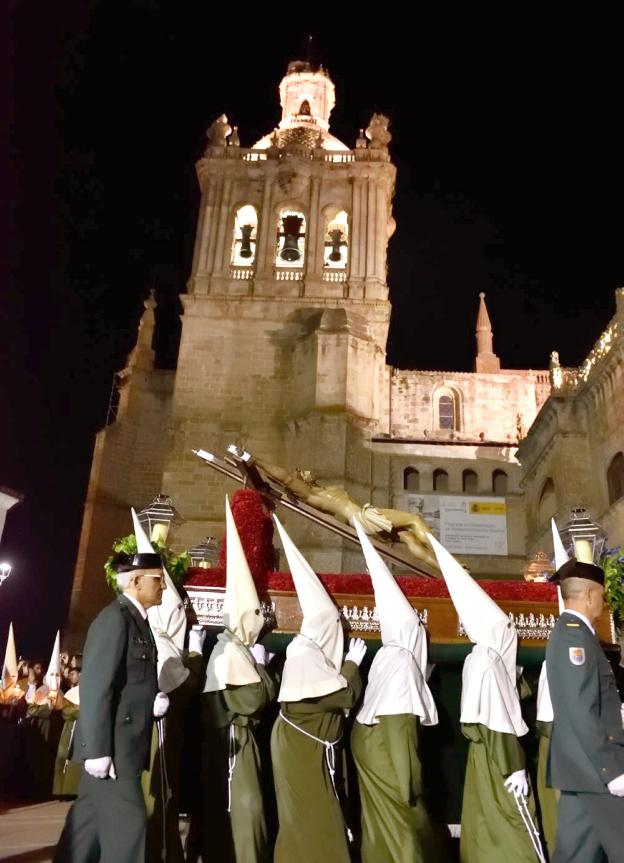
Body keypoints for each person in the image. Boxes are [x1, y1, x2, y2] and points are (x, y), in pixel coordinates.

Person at [53, 513, 170, 863]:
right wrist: (97, 749)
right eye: (158, 580)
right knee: (129, 826)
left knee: (85, 828)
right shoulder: (115, 619)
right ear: (136, 581)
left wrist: (151, 702)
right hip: (114, 749)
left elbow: (127, 683)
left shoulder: (138, 621)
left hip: (123, 745)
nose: (164, 586)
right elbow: (96, 686)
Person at [428, 534, 544, 863]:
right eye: (506, 629)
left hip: (483, 755)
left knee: (485, 823)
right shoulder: (490, 662)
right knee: (513, 826)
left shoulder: (478, 657)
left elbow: (501, 702)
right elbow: (498, 722)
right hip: (498, 758)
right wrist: (515, 768)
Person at [271, 515, 366, 863]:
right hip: (301, 757)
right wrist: (351, 666)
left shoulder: (305, 651)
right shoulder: (306, 657)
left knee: (305, 820)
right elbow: (345, 695)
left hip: (300, 751)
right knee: (316, 821)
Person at [350, 518, 443, 863]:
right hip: (389, 763)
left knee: (377, 829)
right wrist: (410, 786)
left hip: (369, 752)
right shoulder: (402, 661)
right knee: (407, 833)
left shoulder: (386, 655)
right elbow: (400, 729)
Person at [200, 497, 279, 863]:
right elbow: (253, 700)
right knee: (245, 811)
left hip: (240, 740)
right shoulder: (232, 652)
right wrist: (265, 670)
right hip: (234, 743)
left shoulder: (236, 649)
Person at [130, 506, 204, 863]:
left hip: (167, 733)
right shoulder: (158, 642)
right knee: (158, 793)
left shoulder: (159, 638)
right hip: (156, 734)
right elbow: (182, 689)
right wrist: (195, 655)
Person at [546, 556, 624, 862]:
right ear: (590, 595)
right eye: (602, 598)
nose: (603, 605)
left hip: (583, 771)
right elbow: (581, 709)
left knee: (576, 854)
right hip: (595, 770)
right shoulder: (572, 637)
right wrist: (611, 771)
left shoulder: (575, 635)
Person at [253, 457, 438, 569]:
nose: (307, 471)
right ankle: (447, 559)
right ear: (302, 481)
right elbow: (284, 477)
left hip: (365, 518)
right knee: (414, 519)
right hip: (363, 518)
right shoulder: (313, 496)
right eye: (302, 473)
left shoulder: (325, 490)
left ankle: (440, 567)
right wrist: (254, 460)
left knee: (408, 538)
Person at [53, 667, 82, 797]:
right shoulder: (71, 693)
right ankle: (63, 790)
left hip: (82, 727)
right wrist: (79, 709)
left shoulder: (89, 690)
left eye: (73, 673)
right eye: (69, 674)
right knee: (64, 757)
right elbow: (65, 712)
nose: (70, 676)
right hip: (69, 728)